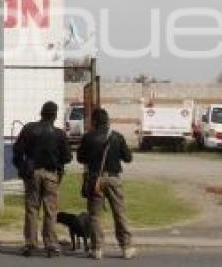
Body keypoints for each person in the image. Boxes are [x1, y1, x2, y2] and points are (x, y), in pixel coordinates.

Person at [12, 101, 72, 257]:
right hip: (51, 174)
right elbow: (67, 157)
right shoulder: (59, 133)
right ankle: (51, 245)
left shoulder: (29, 129)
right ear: (55, 115)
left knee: (32, 209)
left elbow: (17, 151)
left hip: (32, 174)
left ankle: (30, 244)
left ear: (41, 113)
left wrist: (22, 168)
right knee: (50, 211)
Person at [77, 108, 136, 261]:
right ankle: (126, 247)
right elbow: (128, 158)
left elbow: (80, 158)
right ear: (108, 121)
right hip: (113, 179)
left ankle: (97, 249)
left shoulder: (88, 137)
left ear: (94, 121)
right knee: (119, 213)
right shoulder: (117, 137)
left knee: (95, 216)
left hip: (95, 180)